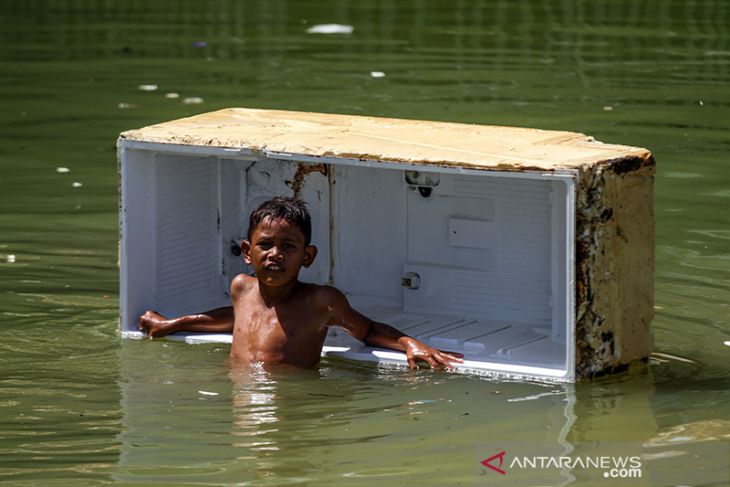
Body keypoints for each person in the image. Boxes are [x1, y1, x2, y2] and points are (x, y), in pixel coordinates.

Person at [139, 197, 462, 370]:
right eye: (265, 245)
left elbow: (367, 330)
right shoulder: (242, 287)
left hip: (292, 401)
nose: (275, 255)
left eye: (288, 247)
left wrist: (409, 343)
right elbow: (235, 320)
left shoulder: (321, 302)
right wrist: (173, 324)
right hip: (239, 395)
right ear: (247, 252)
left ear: (307, 256)